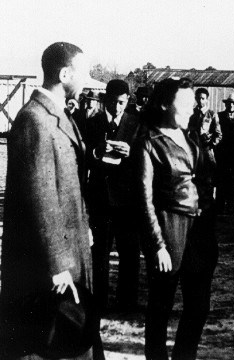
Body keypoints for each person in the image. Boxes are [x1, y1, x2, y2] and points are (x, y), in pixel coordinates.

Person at [0, 42, 97, 360]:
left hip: (67, 247)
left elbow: (68, 181)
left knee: (51, 339)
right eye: (84, 73)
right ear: (65, 74)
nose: (87, 80)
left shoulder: (57, 116)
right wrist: (58, 264)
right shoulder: (35, 120)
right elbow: (40, 196)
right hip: (45, 261)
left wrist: (84, 226)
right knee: (40, 340)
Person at [137, 77, 214, 360]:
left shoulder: (192, 137)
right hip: (170, 228)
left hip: (200, 229)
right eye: (184, 105)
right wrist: (157, 244)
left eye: (193, 105)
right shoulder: (148, 143)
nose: (192, 110)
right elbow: (143, 200)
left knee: (199, 306)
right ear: (164, 104)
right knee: (161, 305)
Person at [83, 79, 144, 313]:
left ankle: (127, 302)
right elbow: (84, 157)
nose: (116, 108)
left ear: (127, 101)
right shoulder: (93, 122)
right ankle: (98, 302)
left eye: (121, 103)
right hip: (99, 198)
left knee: (129, 252)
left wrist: (131, 152)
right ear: (104, 100)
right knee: (99, 252)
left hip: (128, 199)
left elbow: (145, 160)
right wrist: (97, 152)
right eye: (112, 103)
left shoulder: (136, 124)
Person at [188, 87, 221, 177]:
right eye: (198, 98)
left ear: (206, 100)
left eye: (203, 98)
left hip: (206, 148)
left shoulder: (212, 114)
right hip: (193, 148)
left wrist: (211, 145)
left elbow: (218, 134)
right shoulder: (191, 114)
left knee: (208, 176)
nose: (200, 101)